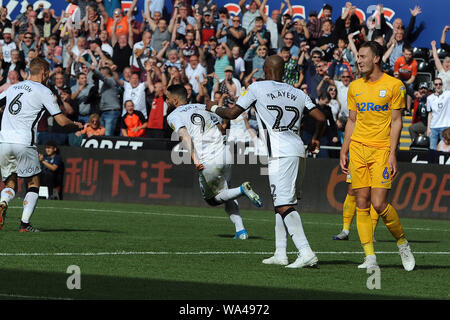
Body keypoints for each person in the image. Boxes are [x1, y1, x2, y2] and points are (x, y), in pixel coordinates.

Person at [206, 55, 326, 268]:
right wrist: (315, 138)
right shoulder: (298, 92)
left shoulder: (257, 87)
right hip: (298, 150)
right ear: (283, 71)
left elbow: (233, 113)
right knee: (284, 203)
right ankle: (281, 253)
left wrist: (213, 108)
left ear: (265, 70)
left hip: (279, 153)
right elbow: (321, 118)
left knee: (283, 204)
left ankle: (305, 251)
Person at [340, 41, 415, 271]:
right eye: (358, 57)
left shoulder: (395, 86)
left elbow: (396, 121)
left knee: (379, 203)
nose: (358, 60)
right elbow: (352, 121)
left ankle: (402, 243)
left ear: (376, 58)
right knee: (361, 202)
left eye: (363, 56)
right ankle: (370, 256)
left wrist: (393, 153)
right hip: (358, 150)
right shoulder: (354, 87)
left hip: (382, 150)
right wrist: (344, 150)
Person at [166, 84, 263, 240]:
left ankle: (242, 190)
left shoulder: (173, 116)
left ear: (175, 101)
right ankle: (241, 231)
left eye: (167, 98)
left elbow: (185, 135)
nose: (165, 101)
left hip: (207, 160)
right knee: (226, 193)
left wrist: (195, 159)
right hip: (225, 154)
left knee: (212, 200)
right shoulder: (204, 107)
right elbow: (221, 128)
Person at [0, 57, 82, 232]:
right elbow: (60, 120)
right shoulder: (43, 90)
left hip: (4, 141)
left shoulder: (12, 87)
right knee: (33, 182)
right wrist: (74, 125)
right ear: (44, 73)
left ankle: (3, 203)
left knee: (10, 183)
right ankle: (24, 224)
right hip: (23, 141)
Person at [426, 78, 450, 150]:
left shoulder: (448, 94)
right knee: (432, 149)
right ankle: (432, 162)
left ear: (442, 85)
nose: (438, 86)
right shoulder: (429, 98)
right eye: (436, 84)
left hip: (445, 126)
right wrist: (428, 128)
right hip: (433, 127)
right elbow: (430, 114)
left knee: (445, 149)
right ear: (433, 86)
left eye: (440, 84)